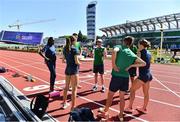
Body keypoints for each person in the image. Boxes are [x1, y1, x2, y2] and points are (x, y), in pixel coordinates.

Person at [98, 36, 146, 121]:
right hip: (125, 78)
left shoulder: (119, 47)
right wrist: (131, 65)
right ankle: (120, 115)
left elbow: (114, 52)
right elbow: (143, 63)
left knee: (110, 96)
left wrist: (114, 65)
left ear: (124, 41)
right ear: (131, 44)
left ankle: (105, 111)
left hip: (116, 77)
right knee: (122, 97)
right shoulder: (131, 53)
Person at [126, 39, 153, 114]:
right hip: (149, 75)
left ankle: (129, 107)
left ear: (141, 45)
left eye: (138, 44)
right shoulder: (149, 53)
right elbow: (149, 62)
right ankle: (144, 108)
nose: (137, 46)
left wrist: (131, 65)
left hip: (143, 75)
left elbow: (140, 63)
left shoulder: (139, 52)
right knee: (146, 93)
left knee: (132, 90)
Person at [61, 36, 80, 111]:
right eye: (75, 41)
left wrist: (69, 61)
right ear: (73, 41)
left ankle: (64, 103)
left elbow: (63, 61)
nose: (76, 42)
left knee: (66, 88)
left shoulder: (65, 49)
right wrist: (82, 61)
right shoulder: (74, 49)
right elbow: (76, 61)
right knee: (74, 90)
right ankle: (73, 107)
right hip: (74, 70)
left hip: (67, 69)